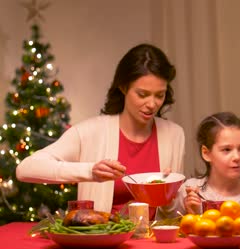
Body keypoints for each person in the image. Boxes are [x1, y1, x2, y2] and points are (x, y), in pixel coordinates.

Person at [16, 43, 185, 219]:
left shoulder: (174, 135)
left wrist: (168, 194)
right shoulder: (90, 132)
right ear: (123, 87)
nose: (152, 104)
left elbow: (173, 215)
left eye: (159, 95)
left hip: (154, 244)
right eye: (142, 94)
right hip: (103, 241)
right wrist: (91, 172)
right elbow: (25, 169)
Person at [172, 111, 240, 223]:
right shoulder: (189, 191)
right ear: (206, 153)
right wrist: (193, 215)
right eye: (227, 149)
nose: (237, 157)